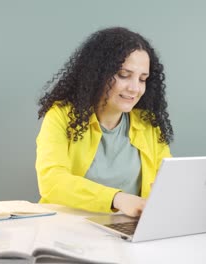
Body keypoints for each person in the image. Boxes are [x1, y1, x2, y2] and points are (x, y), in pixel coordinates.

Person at [35, 27, 173, 217]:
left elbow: (169, 181)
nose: (135, 88)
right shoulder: (61, 116)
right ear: (99, 74)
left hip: (124, 232)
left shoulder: (148, 124)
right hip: (66, 229)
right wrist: (117, 199)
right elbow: (52, 181)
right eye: (124, 75)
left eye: (142, 79)